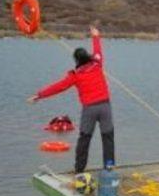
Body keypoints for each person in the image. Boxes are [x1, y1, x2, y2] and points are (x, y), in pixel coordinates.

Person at [29, 26, 115, 172]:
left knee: (84, 139)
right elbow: (98, 51)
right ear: (88, 56)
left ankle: (79, 170)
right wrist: (95, 36)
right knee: (107, 137)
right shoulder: (97, 64)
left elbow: (59, 87)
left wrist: (39, 95)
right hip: (105, 107)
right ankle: (109, 167)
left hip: (90, 109)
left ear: (76, 60)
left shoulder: (75, 75)